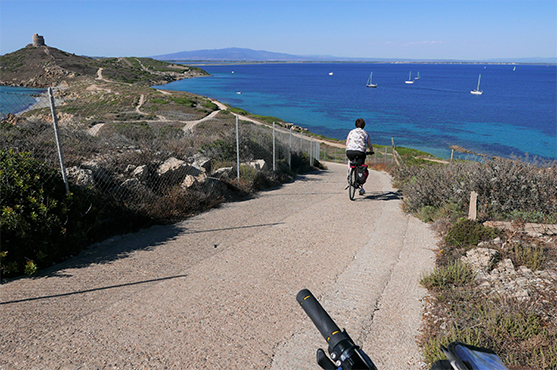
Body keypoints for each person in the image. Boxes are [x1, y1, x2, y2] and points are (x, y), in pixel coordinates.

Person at [346, 118, 373, 195]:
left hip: (350, 151)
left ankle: (349, 173)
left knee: (350, 161)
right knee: (360, 168)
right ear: (363, 125)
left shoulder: (351, 132)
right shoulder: (365, 133)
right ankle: (361, 188)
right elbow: (370, 145)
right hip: (360, 152)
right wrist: (371, 151)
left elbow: (347, 143)